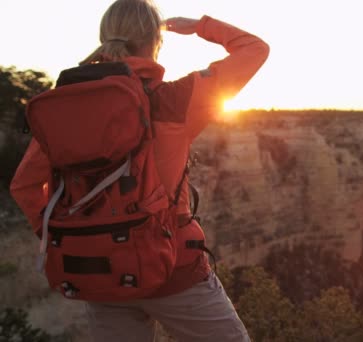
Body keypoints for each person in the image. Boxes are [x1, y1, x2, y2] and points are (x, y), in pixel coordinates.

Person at [9, 0, 269, 341]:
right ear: (155, 43)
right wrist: (200, 25)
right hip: (174, 269)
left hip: (101, 275)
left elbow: (25, 185)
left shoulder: (64, 111)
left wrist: (73, 234)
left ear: (104, 39)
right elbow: (254, 49)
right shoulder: (173, 100)